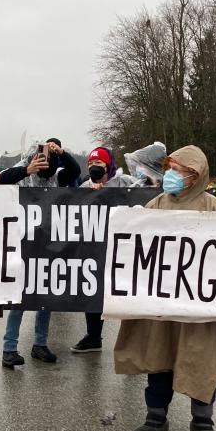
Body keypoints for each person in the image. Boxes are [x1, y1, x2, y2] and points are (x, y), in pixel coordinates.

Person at [113, 145, 216, 431]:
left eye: (179, 170)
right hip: (161, 305)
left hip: (199, 306)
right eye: (169, 168)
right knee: (158, 357)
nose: (171, 175)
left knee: (201, 360)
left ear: (196, 175)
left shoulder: (215, 209)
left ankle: (202, 421)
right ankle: (155, 417)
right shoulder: (154, 206)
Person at [0, 138, 81, 368]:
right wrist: (27, 168)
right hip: (24, 245)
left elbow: (75, 170)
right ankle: (9, 348)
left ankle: (40, 344)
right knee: (20, 299)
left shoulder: (58, 177)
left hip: (48, 246)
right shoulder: (25, 174)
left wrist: (62, 152)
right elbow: (1, 178)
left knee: (46, 297)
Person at [71, 146, 140, 354]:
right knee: (93, 292)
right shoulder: (85, 186)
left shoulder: (124, 182)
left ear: (108, 165)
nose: (94, 167)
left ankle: (133, 341)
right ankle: (93, 337)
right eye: (91, 164)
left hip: (122, 249)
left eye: (99, 164)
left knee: (127, 293)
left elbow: (144, 196)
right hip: (93, 249)